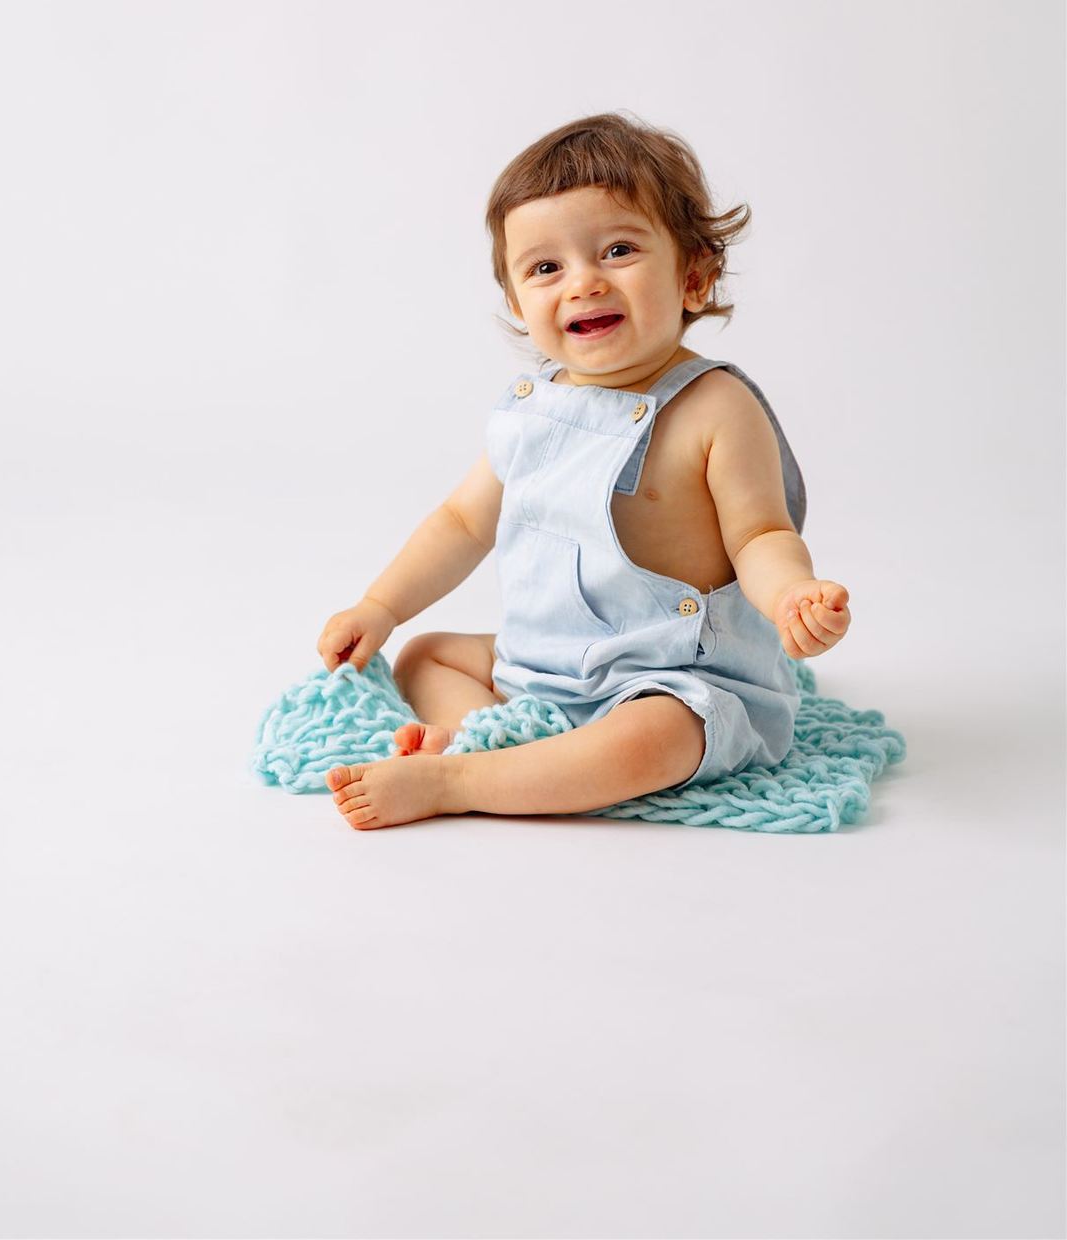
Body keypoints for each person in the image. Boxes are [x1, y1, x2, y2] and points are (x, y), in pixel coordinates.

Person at [317, 111, 851, 830]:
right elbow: (462, 523)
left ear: (693, 277)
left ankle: (460, 779)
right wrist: (380, 607)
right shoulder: (530, 407)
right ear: (518, 303)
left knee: (657, 738)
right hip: (544, 667)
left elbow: (760, 533)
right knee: (426, 656)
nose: (583, 283)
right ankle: (499, 741)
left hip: (670, 676)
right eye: (546, 268)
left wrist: (791, 595)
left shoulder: (715, 407)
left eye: (618, 250)